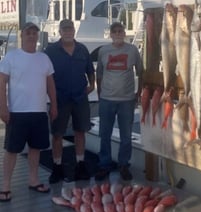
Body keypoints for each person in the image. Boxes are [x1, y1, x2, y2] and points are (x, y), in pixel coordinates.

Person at [0, 22, 57, 202]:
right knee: (11, 150)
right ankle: (6, 186)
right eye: (28, 33)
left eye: (34, 33)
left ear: (37, 36)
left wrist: (53, 105)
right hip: (17, 112)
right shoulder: (11, 57)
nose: (31, 36)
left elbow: (51, 85)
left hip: (39, 112)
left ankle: (33, 180)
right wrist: (3, 108)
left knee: (36, 148)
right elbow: (1, 84)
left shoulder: (44, 58)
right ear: (22, 35)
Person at [45, 19, 95, 183]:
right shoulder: (50, 50)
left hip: (80, 98)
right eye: (64, 30)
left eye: (70, 29)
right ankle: (57, 166)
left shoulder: (82, 49)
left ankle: (80, 163)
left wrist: (92, 85)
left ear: (74, 31)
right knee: (57, 134)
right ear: (60, 32)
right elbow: (45, 75)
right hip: (60, 98)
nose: (67, 32)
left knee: (80, 132)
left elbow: (90, 70)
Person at [95, 22, 143, 181]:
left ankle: (124, 164)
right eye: (114, 31)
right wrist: (101, 93)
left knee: (126, 136)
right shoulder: (103, 50)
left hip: (127, 100)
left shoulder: (132, 50)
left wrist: (139, 92)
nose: (117, 33)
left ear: (124, 33)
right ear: (110, 34)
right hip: (106, 99)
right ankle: (104, 165)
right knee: (105, 134)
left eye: (120, 31)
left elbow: (141, 71)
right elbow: (99, 73)